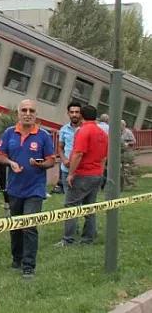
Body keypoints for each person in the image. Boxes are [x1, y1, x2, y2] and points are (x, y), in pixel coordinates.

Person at [0, 99, 55, 280]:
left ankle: (29, 266)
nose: (28, 113)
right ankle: (17, 258)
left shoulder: (43, 136)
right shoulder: (9, 133)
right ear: (18, 113)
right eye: (24, 110)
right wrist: (10, 163)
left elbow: (51, 160)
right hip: (14, 188)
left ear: (36, 114)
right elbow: (0, 156)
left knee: (29, 226)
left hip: (35, 189)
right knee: (16, 226)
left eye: (31, 110)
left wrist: (39, 164)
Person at [56, 105, 108, 246]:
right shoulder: (102, 133)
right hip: (96, 174)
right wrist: (100, 173)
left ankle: (68, 240)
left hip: (83, 174)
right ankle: (88, 238)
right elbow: (104, 157)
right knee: (89, 207)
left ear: (82, 116)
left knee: (71, 206)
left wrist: (71, 174)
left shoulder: (83, 131)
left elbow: (78, 153)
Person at [57, 102, 82, 195]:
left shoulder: (85, 128)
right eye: (72, 112)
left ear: (80, 114)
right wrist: (64, 160)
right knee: (68, 198)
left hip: (81, 170)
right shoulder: (64, 130)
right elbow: (60, 148)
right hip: (66, 169)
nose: (74, 114)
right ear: (68, 114)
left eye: (77, 112)